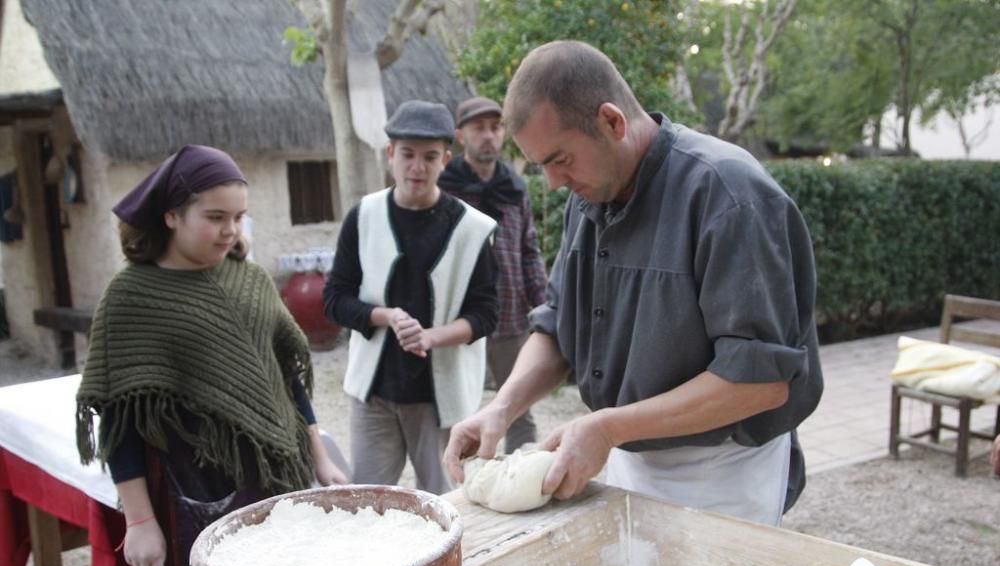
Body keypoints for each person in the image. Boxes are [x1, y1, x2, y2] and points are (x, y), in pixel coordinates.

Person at [444, 41, 824, 526]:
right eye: (542, 165)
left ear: (611, 121)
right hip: (627, 453)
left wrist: (606, 427)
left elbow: (760, 383)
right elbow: (559, 324)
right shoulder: (591, 194)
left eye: (560, 159)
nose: (554, 182)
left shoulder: (728, 194)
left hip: (723, 471)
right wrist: (502, 408)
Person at [76, 145, 347, 566]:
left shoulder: (248, 279)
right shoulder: (131, 296)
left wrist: (318, 454)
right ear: (171, 215)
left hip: (267, 483)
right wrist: (138, 521)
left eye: (239, 217)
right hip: (187, 495)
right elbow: (119, 418)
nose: (230, 230)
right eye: (215, 217)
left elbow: (285, 374)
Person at [324, 100, 498, 494]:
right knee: (366, 503)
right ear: (391, 154)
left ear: (445, 160)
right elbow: (335, 298)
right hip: (375, 393)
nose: (417, 167)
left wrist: (431, 337)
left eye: (429, 157)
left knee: (447, 506)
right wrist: (386, 317)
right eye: (407, 155)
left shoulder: (472, 229)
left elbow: (486, 314)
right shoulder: (363, 216)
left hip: (442, 399)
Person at [438, 96, 548, 453]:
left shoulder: (515, 189)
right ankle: (464, 490)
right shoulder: (443, 189)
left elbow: (529, 251)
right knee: (458, 412)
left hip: (511, 318)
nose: (488, 136)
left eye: (496, 127)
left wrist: (545, 307)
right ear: (460, 135)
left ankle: (527, 479)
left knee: (517, 408)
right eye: (478, 128)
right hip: (460, 320)